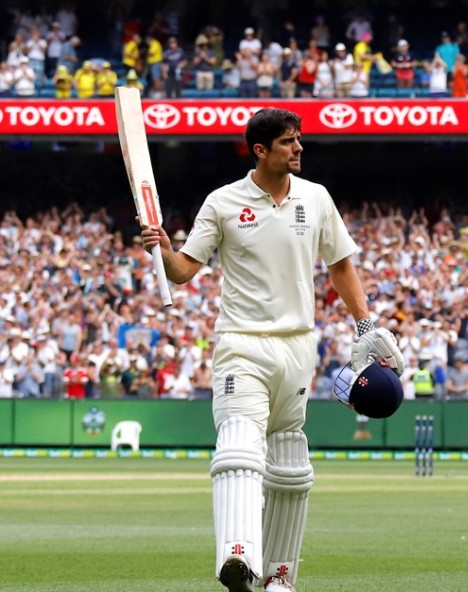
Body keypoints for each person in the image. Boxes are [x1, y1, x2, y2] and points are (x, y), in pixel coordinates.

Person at [140, 108, 404, 592]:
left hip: (299, 347)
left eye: (299, 139)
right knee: (240, 444)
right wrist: (159, 248)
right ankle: (238, 557)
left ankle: (279, 578)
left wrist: (364, 324)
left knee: (289, 466)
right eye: (288, 142)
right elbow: (182, 271)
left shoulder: (316, 198)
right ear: (259, 150)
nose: (299, 148)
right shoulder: (223, 202)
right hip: (242, 343)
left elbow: (341, 266)